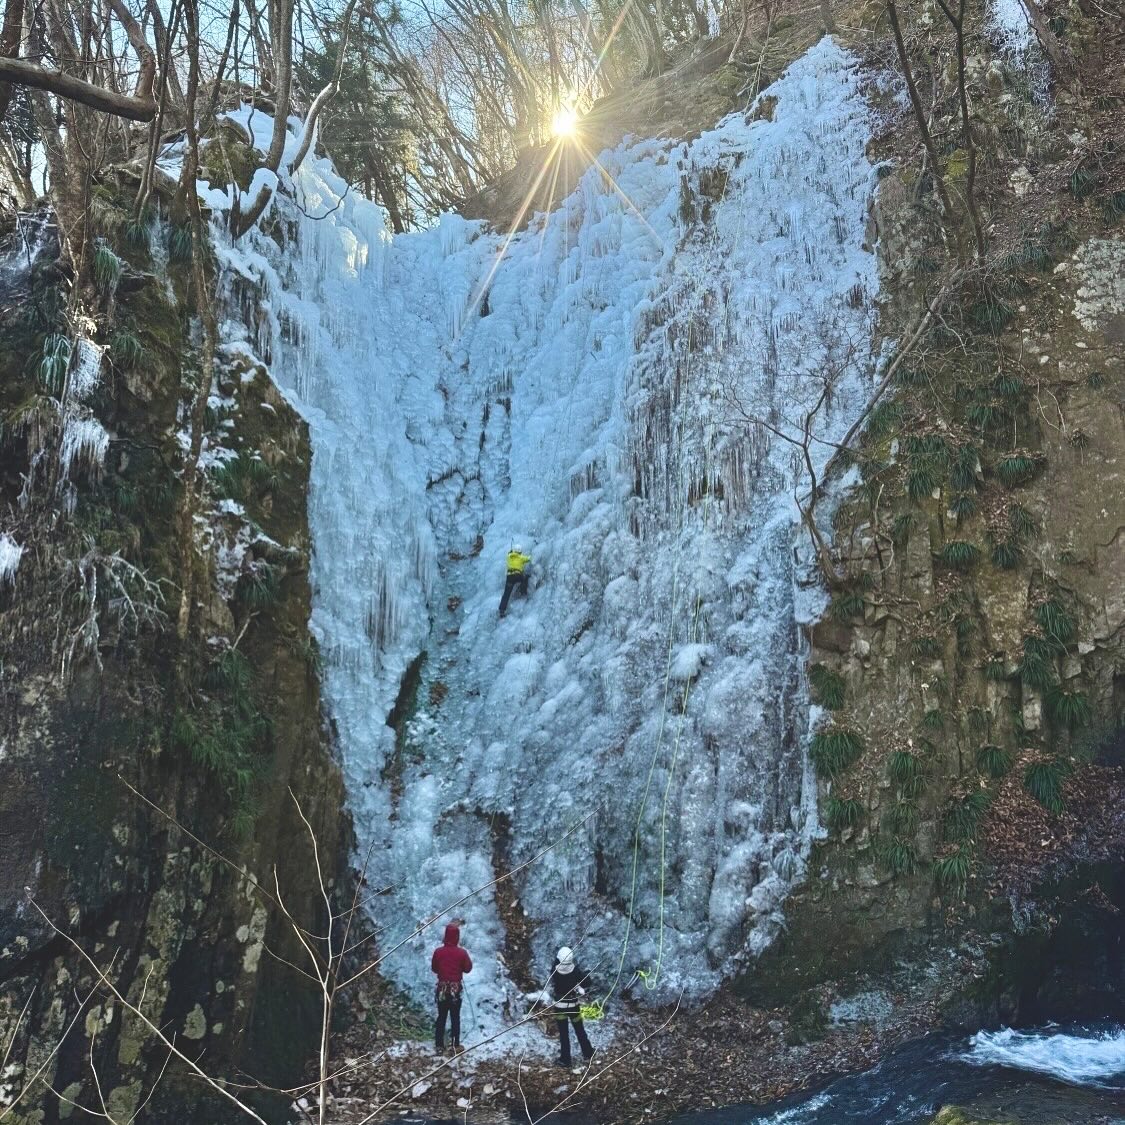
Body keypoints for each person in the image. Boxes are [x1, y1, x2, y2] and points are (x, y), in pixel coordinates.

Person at [546, 945, 595, 1068]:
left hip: (560, 1007)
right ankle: (588, 1052)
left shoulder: (554, 971)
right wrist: (578, 985)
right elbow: (588, 982)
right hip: (573, 1006)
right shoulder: (575, 970)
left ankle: (565, 1059)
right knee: (579, 1030)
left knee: (564, 1034)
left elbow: (555, 968)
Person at [431, 922, 472, 1052]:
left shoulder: (438, 952)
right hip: (455, 990)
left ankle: (439, 1045)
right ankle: (455, 1045)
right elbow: (468, 969)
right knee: (455, 1018)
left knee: (441, 1017)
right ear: (457, 937)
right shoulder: (462, 953)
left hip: (442, 990)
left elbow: (434, 968)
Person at [498, 543, 532, 617]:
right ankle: (523, 592)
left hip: (509, 577)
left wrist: (510, 552)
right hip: (517, 575)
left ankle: (502, 611)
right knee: (526, 578)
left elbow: (508, 554)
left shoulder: (509, 557)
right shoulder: (521, 557)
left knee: (506, 594)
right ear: (520, 551)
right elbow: (529, 558)